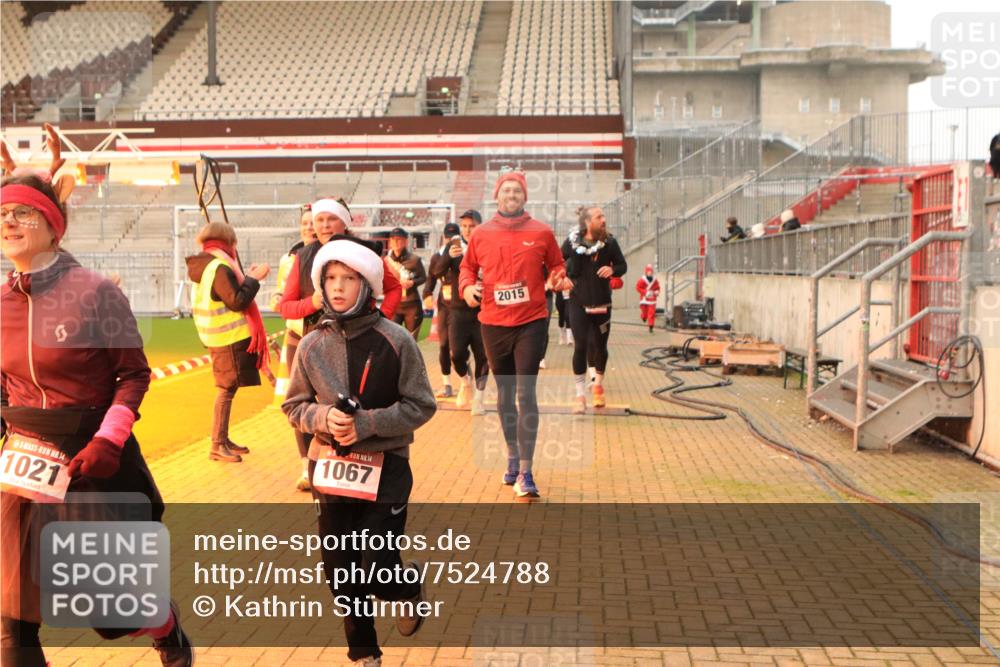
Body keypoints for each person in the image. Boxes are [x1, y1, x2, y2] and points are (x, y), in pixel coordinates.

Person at [0, 128, 193, 666]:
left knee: (117, 607)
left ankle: (164, 625)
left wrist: (109, 439)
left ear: (54, 227)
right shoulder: (0, 303)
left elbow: (133, 375)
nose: (10, 223)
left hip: (89, 458)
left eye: (24, 214)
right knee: (12, 612)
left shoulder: (95, 292)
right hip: (21, 464)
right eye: (3, 215)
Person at [282, 239, 436, 667]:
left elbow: (422, 405)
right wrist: (322, 419)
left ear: (366, 285)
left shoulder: (398, 340)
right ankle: (365, 654)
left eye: (348, 279)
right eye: (330, 278)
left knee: (376, 568)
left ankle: (407, 587)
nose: (337, 287)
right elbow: (293, 406)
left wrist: (366, 424)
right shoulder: (311, 344)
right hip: (330, 471)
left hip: (387, 470)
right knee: (340, 571)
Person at [459, 170, 570, 499]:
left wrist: (559, 276)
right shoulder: (481, 234)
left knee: (525, 394)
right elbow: (467, 268)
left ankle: (526, 470)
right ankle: (511, 456)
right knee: (505, 396)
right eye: (506, 190)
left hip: (531, 321)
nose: (512, 195)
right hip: (493, 323)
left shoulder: (542, 232)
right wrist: (466, 288)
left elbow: (556, 264)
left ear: (524, 197)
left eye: (517, 191)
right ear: (497, 196)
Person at [186, 222, 270, 463]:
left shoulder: (204, 264)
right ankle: (217, 444)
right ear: (229, 242)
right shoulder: (219, 266)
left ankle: (222, 438)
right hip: (227, 339)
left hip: (215, 336)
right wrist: (254, 279)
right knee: (226, 389)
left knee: (228, 389)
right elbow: (237, 301)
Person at [562, 206, 627, 414]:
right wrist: (562, 277)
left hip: (602, 304)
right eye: (599, 217)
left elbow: (622, 265)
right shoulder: (572, 243)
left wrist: (613, 269)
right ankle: (580, 395)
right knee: (580, 346)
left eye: (604, 216)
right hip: (578, 303)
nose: (604, 219)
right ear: (588, 222)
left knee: (600, 346)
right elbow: (556, 262)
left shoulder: (610, 243)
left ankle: (597, 384)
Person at [270, 204, 317, 490]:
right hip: (296, 337)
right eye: (305, 223)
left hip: (325, 338)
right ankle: (305, 466)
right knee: (297, 403)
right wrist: (278, 299)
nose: (309, 227)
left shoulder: (334, 255)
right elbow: (281, 293)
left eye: (314, 222)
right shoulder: (289, 259)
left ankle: (326, 464)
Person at [429, 210, 488, 414]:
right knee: (456, 355)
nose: (467, 230)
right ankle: (465, 382)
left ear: (480, 226)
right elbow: (436, 272)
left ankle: (479, 399)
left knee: (483, 356)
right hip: (458, 310)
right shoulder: (453, 246)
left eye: (471, 226)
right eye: (464, 226)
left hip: (484, 311)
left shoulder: (488, 243)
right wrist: (447, 257)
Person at [423, 222, 460, 398]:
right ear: (443, 237)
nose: (450, 240)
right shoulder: (437, 256)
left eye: (454, 237)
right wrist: (427, 293)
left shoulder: (466, 253)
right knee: (444, 345)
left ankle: (466, 379)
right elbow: (432, 276)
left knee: (458, 348)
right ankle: (446, 384)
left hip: (462, 306)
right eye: (447, 237)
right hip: (445, 305)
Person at [386, 227, 427, 340]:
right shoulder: (386, 261)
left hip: (412, 305)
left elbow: (423, 278)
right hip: (394, 305)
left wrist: (412, 282)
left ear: (405, 241)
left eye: (399, 239)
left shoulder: (415, 260)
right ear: (390, 242)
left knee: (411, 341)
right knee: (392, 339)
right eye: (393, 239)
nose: (396, 242)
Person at [636, 263, 660, 333]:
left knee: (651, 313)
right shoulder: (642, 280)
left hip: (652, 299)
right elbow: (638, 287)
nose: (650, 273)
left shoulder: (655, 280)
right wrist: (645, 292)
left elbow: (658, 288)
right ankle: (643, 317)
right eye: (648, 271)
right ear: (646, 272)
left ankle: (651, 327)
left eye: (651, 271)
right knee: (645, 313)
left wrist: (657, 292)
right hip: (644, 299)